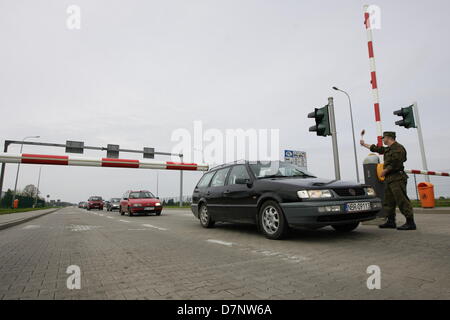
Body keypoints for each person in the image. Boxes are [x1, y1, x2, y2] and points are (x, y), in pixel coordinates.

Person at [360, 131, 416, 230]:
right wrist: (364, 144)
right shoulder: (388, 149)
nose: (383, 140)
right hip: (390, 179)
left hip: (397, 178)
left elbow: (397, 163)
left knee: (401, 200)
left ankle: (410, 222)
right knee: (388, 201)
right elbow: (377, 149)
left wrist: (385, 170)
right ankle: (391, 221)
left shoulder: (398, 148)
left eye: (383, 138)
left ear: (388, 137)